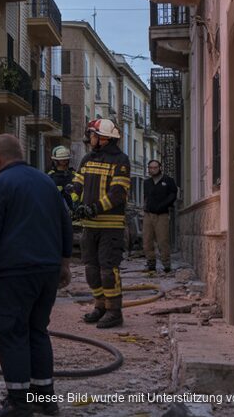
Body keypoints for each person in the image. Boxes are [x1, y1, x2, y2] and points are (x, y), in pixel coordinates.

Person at [0, 135, 73, 417]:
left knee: (9, 331)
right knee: (37, 330)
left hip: (16, 272)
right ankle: (45, 399)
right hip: (47, 270)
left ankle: (19, 403)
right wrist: (64, 263)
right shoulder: (46, 182)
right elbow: (65, 222)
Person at [70, 118, 131, 329]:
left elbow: (117, 194)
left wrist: (94, 208)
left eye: (94, 135)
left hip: (110, 226)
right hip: (90, 225)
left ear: (104, 138)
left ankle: (114, 311)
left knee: (108, 269)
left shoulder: (121, 161)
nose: (91, 138)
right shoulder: (87, 159)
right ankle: (100, 306)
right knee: (91, 269)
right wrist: (73, 201)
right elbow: (78, 184)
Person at [142, 159, 178, 274]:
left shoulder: (168, 180)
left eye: (155, 167)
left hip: (162, 215)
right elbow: (146, 197)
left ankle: (166, 265)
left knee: (163, 240)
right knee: (147, 240)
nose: (153, 170)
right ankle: (151, 264)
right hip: (148, 214)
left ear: (160, 168)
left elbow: (173, 195)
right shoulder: (146, 182)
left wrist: (164, 205)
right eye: (151, 168)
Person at [46, 145, 75, 211]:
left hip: (71, 211)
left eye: (65, 160)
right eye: (62, 160)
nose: (64, 161)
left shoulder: (73, 175)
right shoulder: (51, 176)